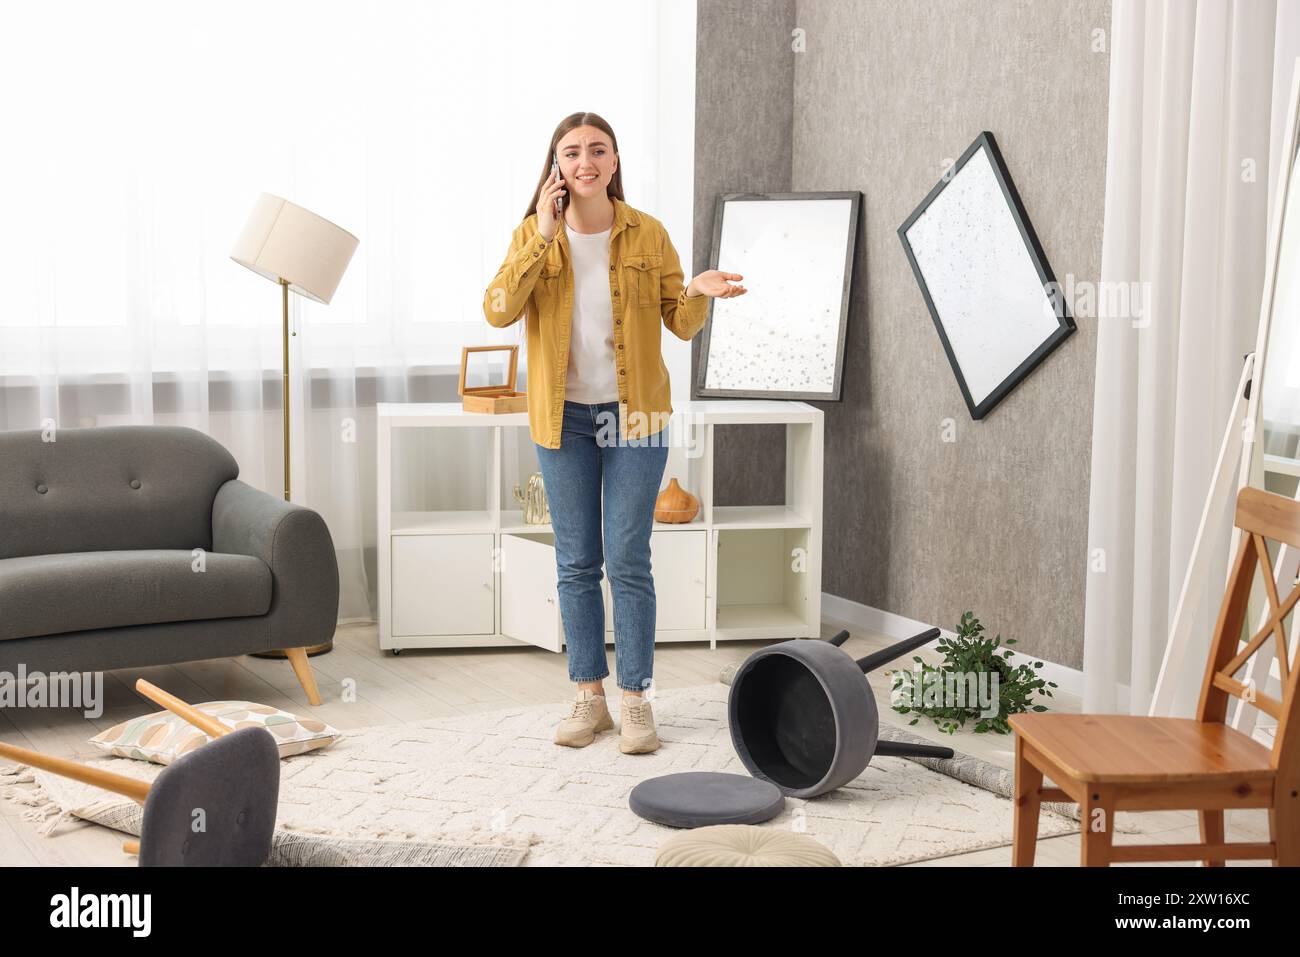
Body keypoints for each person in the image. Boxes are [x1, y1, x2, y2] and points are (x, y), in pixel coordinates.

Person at [482, 112, 745, 753]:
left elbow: (679, 324)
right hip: (560, 417)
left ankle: (636, 702)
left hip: (637, 414)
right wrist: (542, 236)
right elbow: (497, 311)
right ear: (556, 166)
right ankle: (588, 697)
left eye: (597, 150)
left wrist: (700, 292)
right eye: (571, 152)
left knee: (627, 559)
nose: (585, 161)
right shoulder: (532, 235)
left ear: (615, 160)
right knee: (576, 562)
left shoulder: (646, 234)